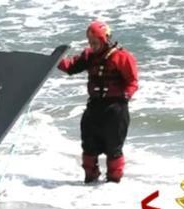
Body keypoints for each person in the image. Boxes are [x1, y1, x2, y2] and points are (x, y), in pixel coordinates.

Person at [58, 21, 139, 183]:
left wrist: (126, 96)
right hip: (94, 106)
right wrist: (55, 60)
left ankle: (113, 184)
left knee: (113, 149)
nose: (92, 45)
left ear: (105, 39)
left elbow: (132, 81)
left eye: (96, 42)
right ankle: (90, 180)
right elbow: (71, 67)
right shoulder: (89, 55)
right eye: (90, 42)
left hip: (116, 108)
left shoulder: (122, 57)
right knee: (88, 146)